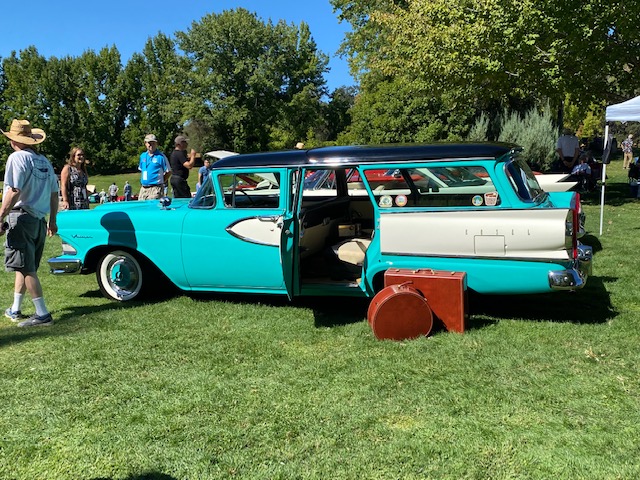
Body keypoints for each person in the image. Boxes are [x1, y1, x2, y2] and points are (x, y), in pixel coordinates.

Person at [0, 119, 59, 327]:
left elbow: (14, 190)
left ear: (13, 140)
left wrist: (0, 216)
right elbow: (54, 194)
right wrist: (52, 220)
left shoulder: (16, 158)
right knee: (25, 265)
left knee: (25, 268)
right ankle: (15, 309)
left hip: (21, 217)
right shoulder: (44, 161)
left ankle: (42, 314)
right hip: (39, 220)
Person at [138, 134, 170, 200]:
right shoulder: (143, 156)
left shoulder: (161, 157)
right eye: (149, 143)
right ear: (145, 143)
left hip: (155, 188)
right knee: (141, 205)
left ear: (156, 144)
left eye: (153, 143)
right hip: (143, 188)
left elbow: (168, 171)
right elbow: (142, 170)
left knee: (152, 205)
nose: (151, 145)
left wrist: (161, 181)